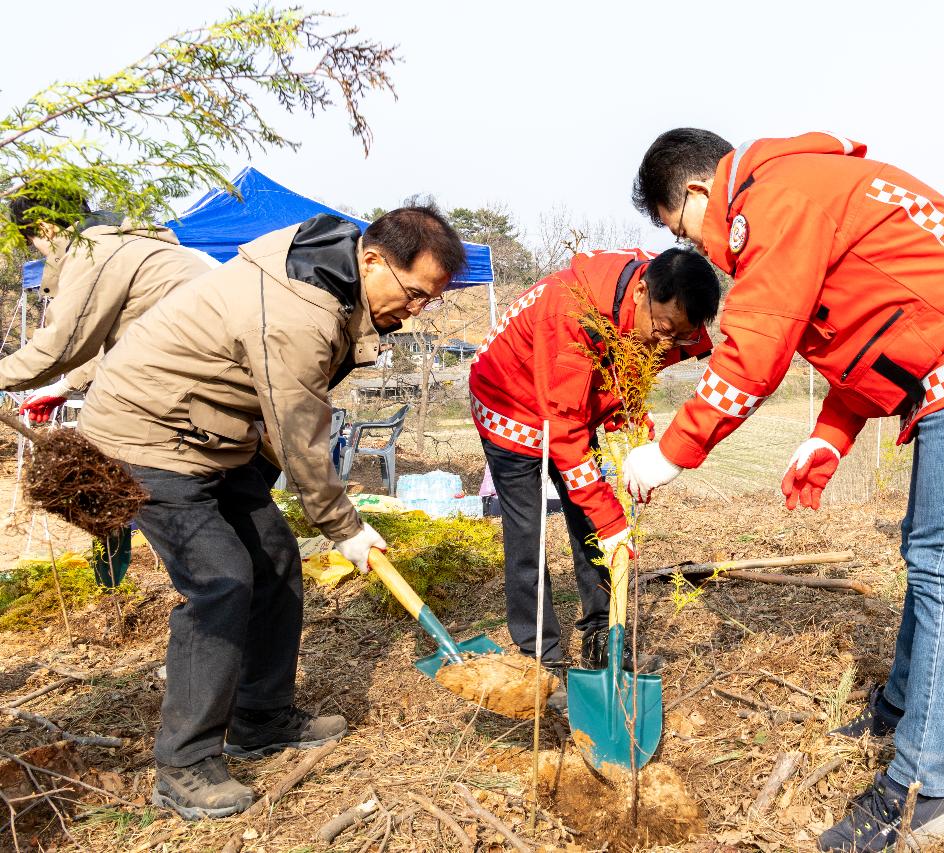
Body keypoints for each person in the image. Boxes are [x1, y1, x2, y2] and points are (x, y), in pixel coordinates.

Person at [625, 129, 944, 852]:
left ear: (701, 192)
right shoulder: (801, 187)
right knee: (927, 552)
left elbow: (757, 345)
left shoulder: (777, 199)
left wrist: (675, 448)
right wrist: (832, 433)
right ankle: (902, 703)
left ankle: (924, 792)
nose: (700, 248)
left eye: (683, 228)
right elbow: (878, 321)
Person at [78, 207, 466, 821]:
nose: (417, 310)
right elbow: (298, 431)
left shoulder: (336, 284)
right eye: (415, 294)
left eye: (431, 301)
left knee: (276, 560)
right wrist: (345, 527)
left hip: (212, 437)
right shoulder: (302, 309)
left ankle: (262, 717)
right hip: (145, 435)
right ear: (371, 260)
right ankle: (185, 763)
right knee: (222, 580)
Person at [470, 247, 718, 673]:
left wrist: (629, 423)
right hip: (508, 404)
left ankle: (603, 636)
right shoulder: (571, 313)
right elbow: (564, 434)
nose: (667, 342)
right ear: (641, 292)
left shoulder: (664, 299)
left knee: (590, 523)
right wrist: (611, 520)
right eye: (663, 330)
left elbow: (630, 369)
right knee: (530, 532)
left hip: (570, 402)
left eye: (679, 336)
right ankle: (540, 656)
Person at [2, 188, 214, 420]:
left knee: (104, 427)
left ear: (45, 228)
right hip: (212, 375)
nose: (39, 253)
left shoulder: (92, 252)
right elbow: (130, 339)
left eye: (32, 243)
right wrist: (63, 388)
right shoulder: (130, 242)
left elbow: (59, 345)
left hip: (191, 386)